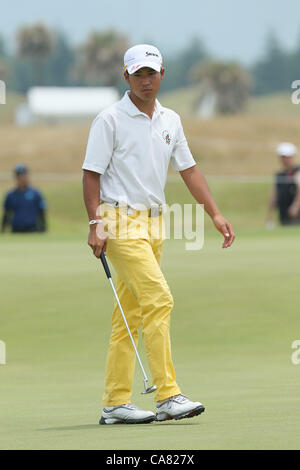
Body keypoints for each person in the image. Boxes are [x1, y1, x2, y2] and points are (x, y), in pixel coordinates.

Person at [82, 44, 235, 425]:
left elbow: (189, 170)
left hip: (154, 224)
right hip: (118, 221)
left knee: (128, 316)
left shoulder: (171, 120)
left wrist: (214, 213)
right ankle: (168, 395)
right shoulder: (109, 119)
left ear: (162, 74)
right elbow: (91, 174)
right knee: (159, 300)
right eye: (138, 75)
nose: (145, 81)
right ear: (126, 77)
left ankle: (115, 403)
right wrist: (94, 222)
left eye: (151, 73)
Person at [1, 164, 47, 233]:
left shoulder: (36, 193)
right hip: (16, 230)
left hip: (33, 230)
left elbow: (41, 212)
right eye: (19, 176)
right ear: (16, 177)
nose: (22, 178)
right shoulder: (10, 195)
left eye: (24, 175)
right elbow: (6, 213)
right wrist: (3, 229)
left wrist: (43, 228)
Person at [266, 142, 300, 227]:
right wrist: (270, 215)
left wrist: (296, 205)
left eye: (287, 157)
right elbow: (274, 195)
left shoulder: (297, 172)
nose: (284, 160)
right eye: (282, 157)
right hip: (283, 212)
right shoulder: (279, 175)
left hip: (296, 213)